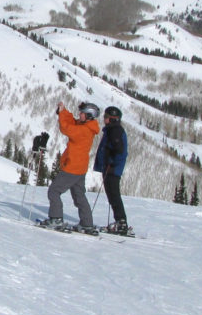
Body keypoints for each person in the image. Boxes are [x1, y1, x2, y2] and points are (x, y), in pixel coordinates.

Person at [42, 101, 101, 234]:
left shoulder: (84, 130)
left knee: (54, 191)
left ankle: (56, 219)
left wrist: (62, 114)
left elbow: (66, 128)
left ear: (89, 116)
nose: (79, 115)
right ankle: (86, 223)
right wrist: (63, 111)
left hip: (72, 167)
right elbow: (73, 122)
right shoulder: (87, 126)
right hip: (80, 167)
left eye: (82, 113)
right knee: (79, 195)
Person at [94, 106, 133, 236]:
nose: (104, 119)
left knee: (114, 195)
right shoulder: (112, 129)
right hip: (110, 168)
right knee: (112, 195)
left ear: (113, 119)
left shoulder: (115, 130)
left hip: (112, 169)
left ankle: (121, 222)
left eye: (106, 117)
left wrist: (111, 163)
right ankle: (120, 222)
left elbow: (119, 150)